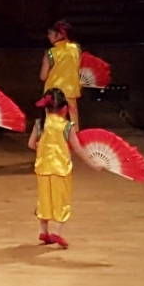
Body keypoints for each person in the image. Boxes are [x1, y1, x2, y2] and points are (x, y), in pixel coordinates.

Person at [28, 89, 102, 248]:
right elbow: (78, 149)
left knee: (44, 200)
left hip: (43, 168)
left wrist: (43, 149)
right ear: (64, 109)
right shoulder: (67, 126)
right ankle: (57, 232)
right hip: (60, 169)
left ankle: (44, 231)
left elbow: (31, 144)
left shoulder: (39, 124)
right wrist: (93, 164)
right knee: (62, 200)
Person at [39, 20, 81, 129]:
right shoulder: (76, 49)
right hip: (70, 93)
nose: (48, 36)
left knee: (53, 127)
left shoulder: (50, 53)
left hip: (53, 95)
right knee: (72, 127)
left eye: (50, 33)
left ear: (60, 35)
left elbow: (43, 76)